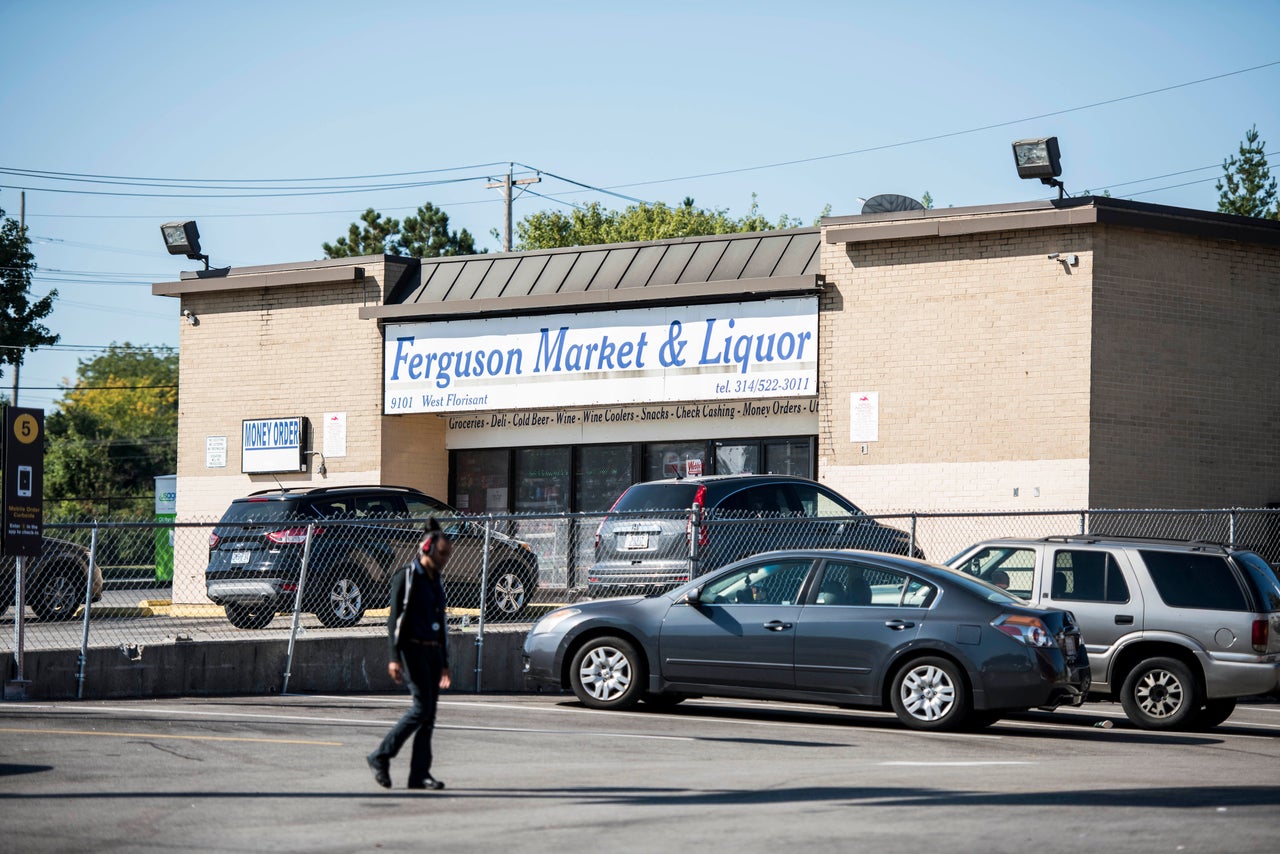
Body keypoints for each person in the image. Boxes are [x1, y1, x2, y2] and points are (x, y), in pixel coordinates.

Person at [367, 518, 453, 791]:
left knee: (429, 715)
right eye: (442, 553)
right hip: (411, 650)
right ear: (426, 548)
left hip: (433, 653)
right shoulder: (405, 576)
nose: (445, 559)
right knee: (421, 708)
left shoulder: (436, 580)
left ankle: (419, 774)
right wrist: (393, 657)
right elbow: (394, 620)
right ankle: (381, 756)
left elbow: (440, 621)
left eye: (447, 555)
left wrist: (445, 663)